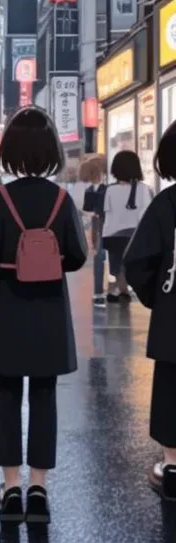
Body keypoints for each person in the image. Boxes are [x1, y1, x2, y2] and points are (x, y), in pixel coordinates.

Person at [0, 107, 87, 527]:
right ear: (52, 150)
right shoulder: (61, 199)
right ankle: (39, 488)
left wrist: (10, 256)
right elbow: (78, 255)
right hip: (50, 307)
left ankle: (11, 487)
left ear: (11, 151)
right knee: (44, 395)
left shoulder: (2, 199)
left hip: (9, 303)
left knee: (7, 395)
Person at [124, 121, 176, 501]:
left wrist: (157, 298)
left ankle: (172, 464)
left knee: (172, 384)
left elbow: (137, 261)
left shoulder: (166, 204)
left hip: (174, 314)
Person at [102, 150, 152, 303]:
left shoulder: (110, 190)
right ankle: (126, 290)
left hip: (114, 234)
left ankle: (123, 290)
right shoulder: (144, 189)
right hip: (137, 234)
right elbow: (148, 214)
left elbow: (107, 213)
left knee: (117, 265)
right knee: (135, 263)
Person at [82, 155, 107, 308]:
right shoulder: (89, 190)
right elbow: (86, 209)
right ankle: (98, 291)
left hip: (107, 226)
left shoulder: (107, 189)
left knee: (105, 258)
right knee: (98, 258)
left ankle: (114, 288)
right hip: (96, 226)